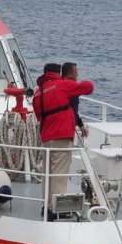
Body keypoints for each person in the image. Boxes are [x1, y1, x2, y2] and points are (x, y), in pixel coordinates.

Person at [33, 63, 94, 209]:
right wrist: (73, 83)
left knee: (47, 175)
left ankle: (47, 206)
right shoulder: (62, 85)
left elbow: (38, 116)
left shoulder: (38, 93)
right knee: (59, 175)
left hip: (46, 137)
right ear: (57, 73)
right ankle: (56, 210)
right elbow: (89, 86)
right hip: (61, 135)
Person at [61, 62, 88, 138]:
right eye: (76, 72)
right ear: (69, 74)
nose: (77, 75)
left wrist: (81, 125)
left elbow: (73, 110)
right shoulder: (70, 89)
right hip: (65, 130)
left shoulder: (59, 86)